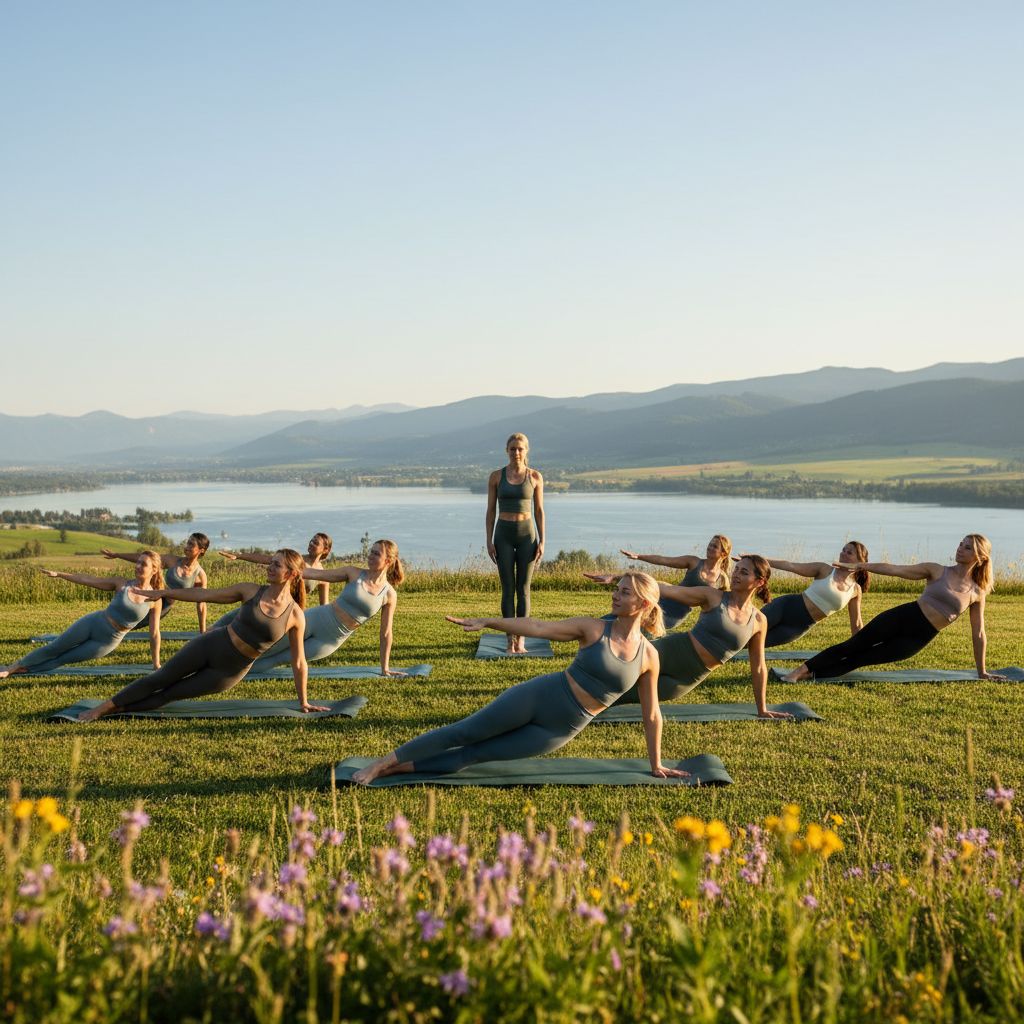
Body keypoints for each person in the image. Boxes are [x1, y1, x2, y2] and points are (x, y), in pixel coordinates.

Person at [350, 572, 690, 784]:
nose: (615, 595)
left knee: (473, 755)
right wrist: (489, 622)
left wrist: (657, 763)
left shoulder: (649, 656)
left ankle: (395, 769)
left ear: (643, 603)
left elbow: (652, 715)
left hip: (562, 728)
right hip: (542, 696)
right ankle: (381, 764)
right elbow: (538, 626)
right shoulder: (593, 628)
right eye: (616, 589)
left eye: (625, 592)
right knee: (464, 732)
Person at [77, 550, 328, 720]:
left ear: (291, 574)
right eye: (270, 562)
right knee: (161, 678)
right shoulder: (251, 590)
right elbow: (205, 594)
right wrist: (165, 593)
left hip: (230, 671)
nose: (269, 567)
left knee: (169, 695)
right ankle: (103, 708)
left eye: (276, 565)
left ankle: (118, 709)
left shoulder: (295, 615)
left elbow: (299, 662)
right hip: (212, 644)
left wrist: (303, 702)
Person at [774, 534, 1005, 682]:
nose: (960, 548)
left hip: (920, 637)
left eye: (967, 547)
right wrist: (860, 566)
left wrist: (982, 671)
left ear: (980, 557)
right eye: (961, 544)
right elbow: (895, 569)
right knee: (853, 646)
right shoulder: (937, 570)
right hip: (904, 616)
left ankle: (811, 674)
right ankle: (799, 672)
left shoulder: (978, 591)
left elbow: (979, 633)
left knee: (861, 659)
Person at [585, 555, 792, 718]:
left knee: (626, 695)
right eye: (736, 569)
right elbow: (667, 589)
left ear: (759, 582)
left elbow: (758, 667)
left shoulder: (759, 620)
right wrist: (618, 577)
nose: (736, 574)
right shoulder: (713, 596)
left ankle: (584, 703)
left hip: (690, 676)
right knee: (613, 676)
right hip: (671, 651)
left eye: (744, 572)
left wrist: (762, 709)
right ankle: (575, 695)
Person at [247, 539, 406, 676]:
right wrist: (280, 565)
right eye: (371, 552)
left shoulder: (389, 594)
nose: (370, 556)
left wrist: (385, 668)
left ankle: (238, 674)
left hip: (331, 640)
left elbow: (386, 633)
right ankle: (233, 661)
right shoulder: (353, 573)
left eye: (376, 554)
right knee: (269, 647)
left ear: (388, 561)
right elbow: (315, 574)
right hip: (315, 619)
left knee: (279, 659)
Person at [0, 552, 164, 678]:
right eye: (137, 562)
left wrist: (156, 664)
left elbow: (155, 633)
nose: (137, 566)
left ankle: (24, 670)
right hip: (94, 623)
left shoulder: (155, 598)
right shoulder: (121, 583)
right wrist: (60, 574)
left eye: (143, 564)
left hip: (108, 641)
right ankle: (11, 668)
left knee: (62, 660)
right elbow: (88, 580)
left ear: (154, 570)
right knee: (55, 647)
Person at [485, 433, 545, 654]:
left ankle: (522, 640)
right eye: (512, 449)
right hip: (503, 535)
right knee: (508, 588)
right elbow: (491, 511)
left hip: (527, 535)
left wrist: (543, 540)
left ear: (526, 450)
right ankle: (510, 639)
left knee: (524, 588)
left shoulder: (535, 476)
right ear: (507, 450)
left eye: (520, 449)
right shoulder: (496, 477)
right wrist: (489, 540)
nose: (516, 452)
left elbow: (539, 511)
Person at [759, 541, 868, 647]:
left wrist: (862, 647)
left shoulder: (855, 590)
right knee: (751, 630)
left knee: (756, 644)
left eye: (849, 553)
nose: (843, 553)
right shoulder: (824, 569)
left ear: (860, 561)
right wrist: (758, 561)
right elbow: (790, 565)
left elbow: (856, 624)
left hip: (798, 627)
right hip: (784, 608)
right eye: (843, 550)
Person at [102, 532, 211, 631]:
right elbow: (145, 559)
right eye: (187, 543)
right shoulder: (173, 560)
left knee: (131, 625)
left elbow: (201, 604)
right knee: (122, 618)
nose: (187, 547)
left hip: (165, 605)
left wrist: (203, 632)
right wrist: (117, 555)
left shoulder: (200, 576)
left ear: (201, 550)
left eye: (191, 545)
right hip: (151, 595)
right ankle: (103, 624)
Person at [620, 534, 732, 628]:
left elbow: (725, 604)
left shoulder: (722, 579)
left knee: (644, 626)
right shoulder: (694, 562)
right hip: (664, 601)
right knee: (631, 619)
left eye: (715, 546)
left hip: (678, 614)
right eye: (710, 544)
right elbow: (664, 560)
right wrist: (639, 556)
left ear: (724, 553)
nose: (710, 548)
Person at [218, 532, 333, 606]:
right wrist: (239, 556)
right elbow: (265, 559)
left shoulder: (323, 575)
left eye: (316, 543)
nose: (311, 543)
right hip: (271, 599)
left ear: (325, 550)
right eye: (311, 540)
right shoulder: (297, 560)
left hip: (291, 607)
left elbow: (324, 605)